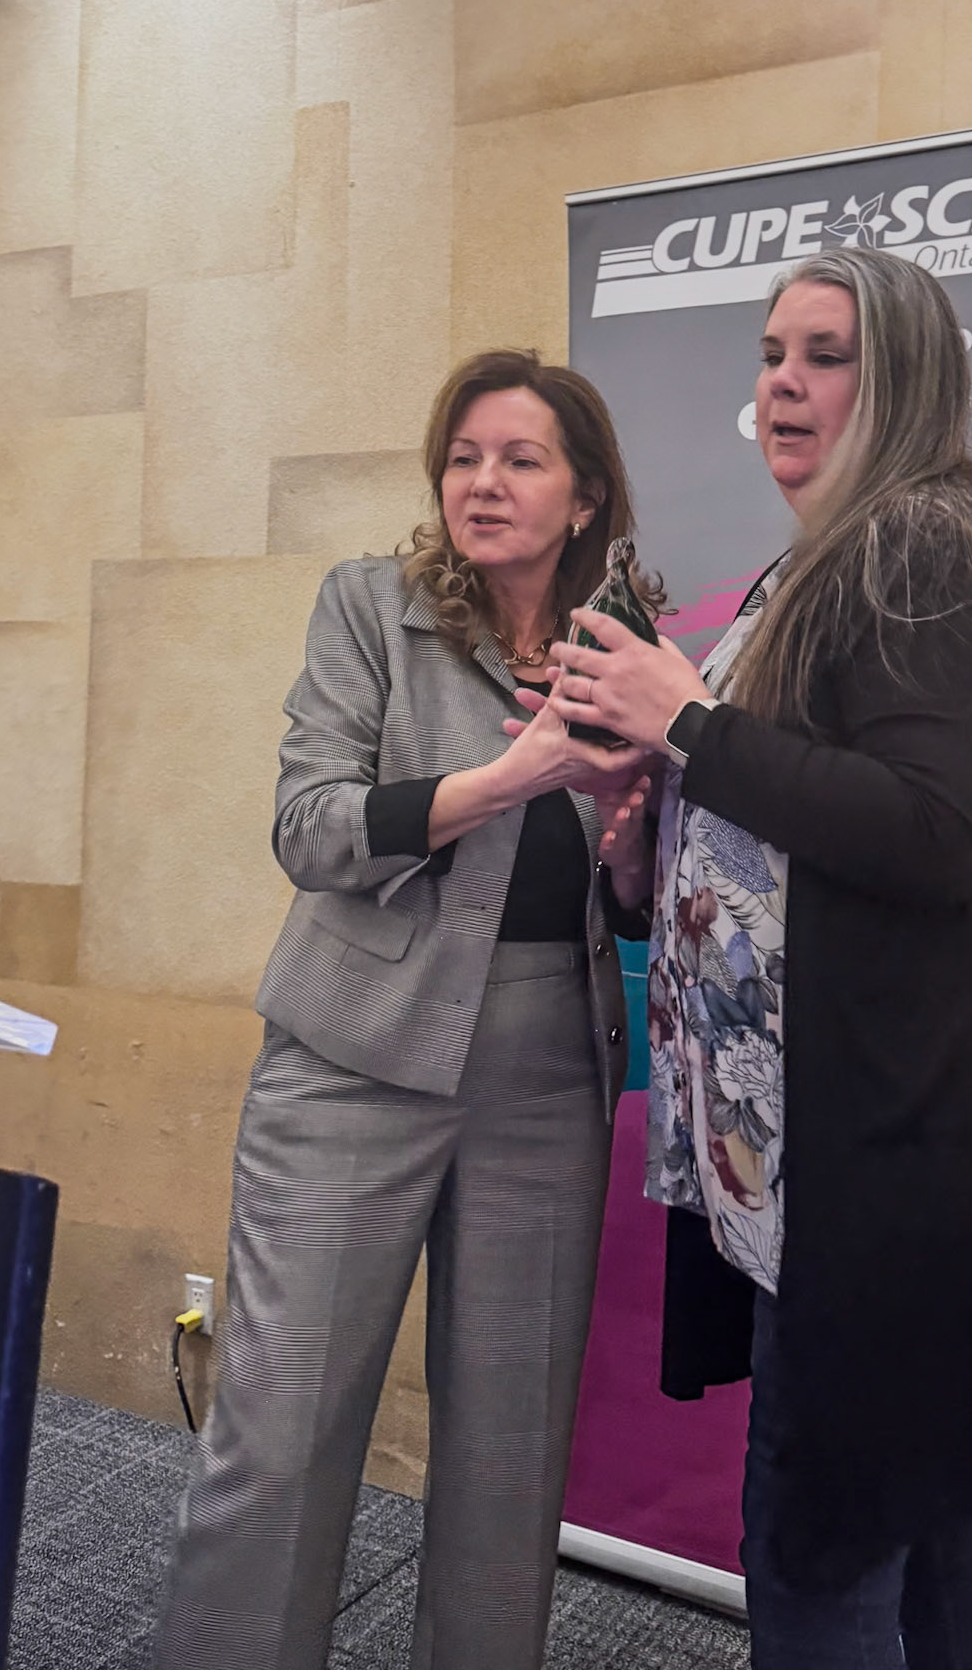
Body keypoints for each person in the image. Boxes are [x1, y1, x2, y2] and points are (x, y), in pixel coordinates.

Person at [544, 247, 972, 1670]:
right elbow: (792, 827)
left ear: (909, 376)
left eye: (827, 355)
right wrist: (644, 857)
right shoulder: (843, 554)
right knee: (937, 1531)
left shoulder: (929, 547)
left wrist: (689, 724)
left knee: (822, 1548)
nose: (784, 385)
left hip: (898, 1152)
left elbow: (938, 830)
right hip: (861, 1145)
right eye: (771, 355)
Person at [153, 349, 657, 1670]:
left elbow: (644, 902)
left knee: (509, 1459)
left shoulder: (630, 649)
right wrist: (509, 777)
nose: (482, 483)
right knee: (282, 1437)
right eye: (462, 458)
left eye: (520, 460)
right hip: (352, 1061)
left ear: (586, 497)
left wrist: (626, 842)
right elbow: (310, 829)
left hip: (549, 1073)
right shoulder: (372, 608)